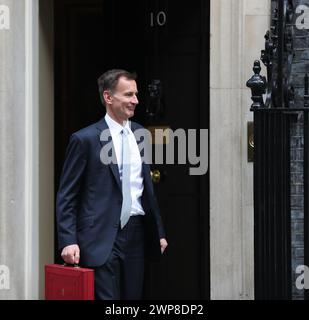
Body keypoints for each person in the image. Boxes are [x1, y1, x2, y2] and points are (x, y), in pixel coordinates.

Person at [56, 69, 168, 300]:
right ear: (108, 97)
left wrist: (158, 231)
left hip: (136, 234)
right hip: (100, 236)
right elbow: (67, 195)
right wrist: (68, 241)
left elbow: (145, 187)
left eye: (136, 94)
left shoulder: (140, 133)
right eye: (128, 95)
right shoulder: (84, 139)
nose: (135, 101)